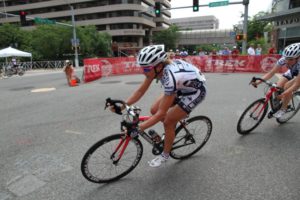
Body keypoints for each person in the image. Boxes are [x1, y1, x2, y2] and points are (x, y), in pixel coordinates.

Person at [110, 45, 207, 167]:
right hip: (181, 86)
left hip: (195, 92)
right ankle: (172, 126)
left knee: (167, 122)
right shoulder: (155, 70)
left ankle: (165, 155)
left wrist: (139, 128)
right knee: (153, 110)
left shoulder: (170, 77)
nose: (143, 71)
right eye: (142, 68)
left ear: (159, 66)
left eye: (146, 69)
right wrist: (122, 106)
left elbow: (161, 113)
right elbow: (140, 91)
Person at [251, 43, 300, 118]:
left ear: (298, 58)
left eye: (290, 59)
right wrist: (258, 82)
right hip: (292, 71)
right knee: (277, 87)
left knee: (287, 87)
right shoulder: (284, 59)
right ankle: (278, 106)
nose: (287, 61)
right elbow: (271, 73)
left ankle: (284, 108)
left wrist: (283, 95)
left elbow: (296, 85)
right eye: (286, 58)